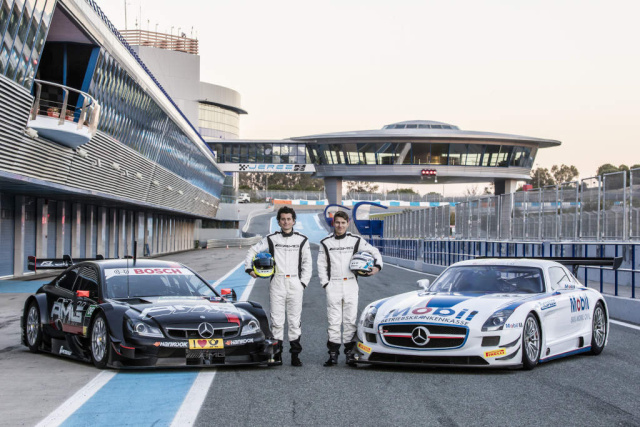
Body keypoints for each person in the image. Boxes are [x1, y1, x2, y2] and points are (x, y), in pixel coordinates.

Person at [245, 206, 312, 366]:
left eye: (289, 219)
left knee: (294, 321)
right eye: (283, 219)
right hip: (277, 283)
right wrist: (249, 268)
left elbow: (307, 263)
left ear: (294, 221)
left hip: (295, 283)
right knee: (277, 321)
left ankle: (295, 356)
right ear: (279, 222)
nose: (286, 222)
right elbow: (252, 250)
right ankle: (277, 355)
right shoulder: (271, 238)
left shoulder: (302, 239)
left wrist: (303, 283)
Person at [317, 210, 383, 366]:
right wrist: (325, 283)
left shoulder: (355, 240)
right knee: (333, 321)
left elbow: (374, 251)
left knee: (350, 321)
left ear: (348, 224)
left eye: (343, 223)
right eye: (337, 222)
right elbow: (321, 265)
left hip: (351, 283)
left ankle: (349, 354)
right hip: (333, 284)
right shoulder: (326, 242)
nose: (340, 225)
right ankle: (333, 355)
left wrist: (377, 266)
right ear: (333, 223)